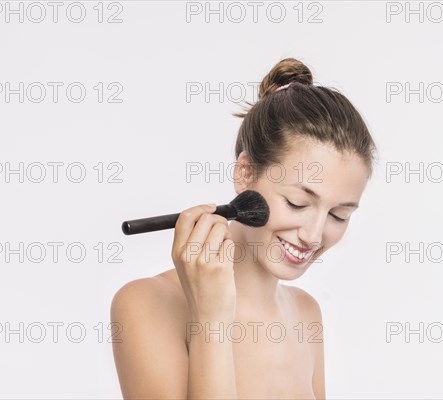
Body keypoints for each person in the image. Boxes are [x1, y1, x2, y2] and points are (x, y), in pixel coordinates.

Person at [110, 57, 378, 399]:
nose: (313, 234)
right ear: (246, 173)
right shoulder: (145, 304)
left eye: (339, 215)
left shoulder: (307, 314)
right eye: (297, 202)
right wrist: (212, 319)